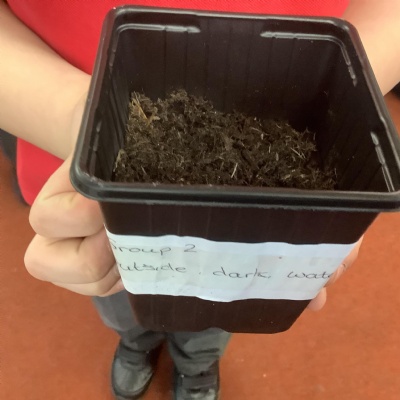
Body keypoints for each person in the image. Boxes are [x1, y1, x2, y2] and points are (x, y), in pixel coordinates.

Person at [0, 1, 398, 399]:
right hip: (82, 159)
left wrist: (346, 103)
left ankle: (197, 364)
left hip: (299, 106)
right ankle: (137, 343)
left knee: (220, 307)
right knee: (119, 292)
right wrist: (87, 120)